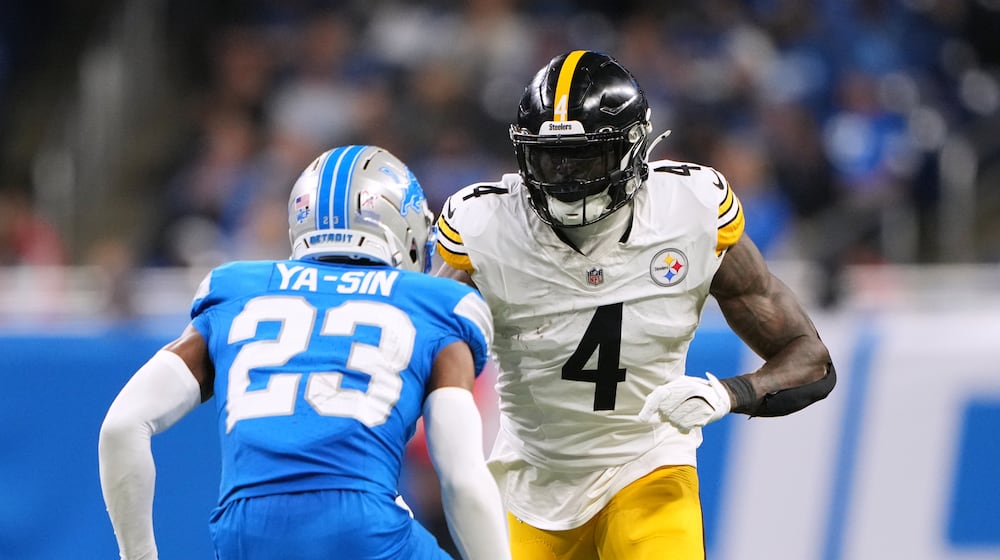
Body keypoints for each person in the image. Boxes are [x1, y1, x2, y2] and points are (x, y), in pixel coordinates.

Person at [434, 50, 835, 559]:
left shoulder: (688, 211)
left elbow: (810, 359)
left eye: (586, 157)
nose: (567, 177)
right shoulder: (486, 227)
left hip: (647, 463)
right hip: (531, 481)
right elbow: (420, 351)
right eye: (551, 157)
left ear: (633, 149)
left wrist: (729, 394)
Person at [99, 145, 511, 560]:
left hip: (243, 531)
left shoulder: (238, 289)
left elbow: (121, 425)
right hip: (362, 526)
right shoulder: (436, 305)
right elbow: (461, 478)